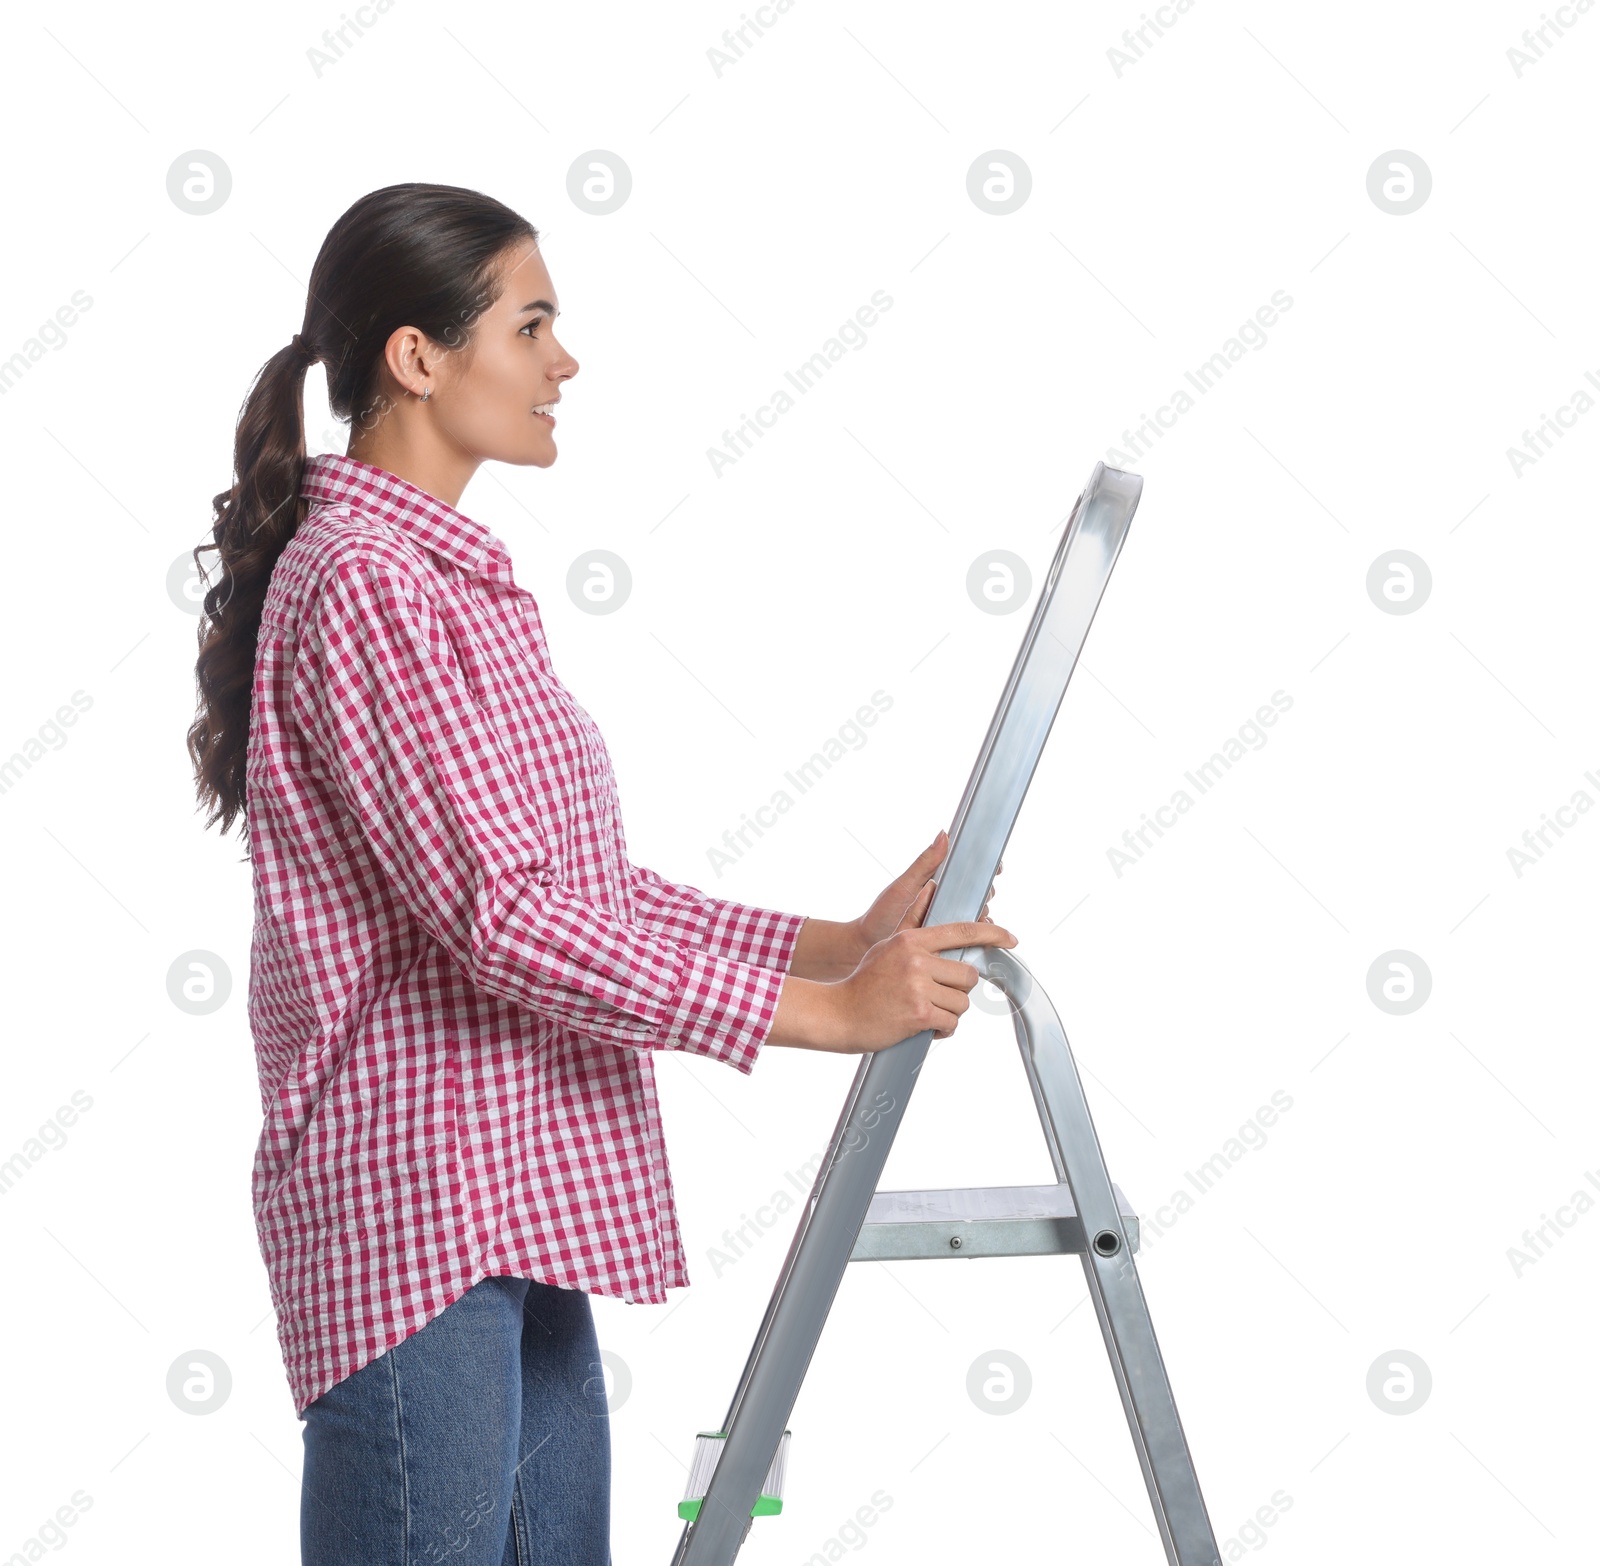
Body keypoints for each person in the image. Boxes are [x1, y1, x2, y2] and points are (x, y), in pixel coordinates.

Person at [186, 182, 1013, 1566]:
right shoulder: (372, 588)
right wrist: (822, 1020)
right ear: (418, 356)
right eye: (532, 322)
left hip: (507, 1207)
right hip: (420, 1221)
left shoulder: (449, 588)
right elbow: (500, 918)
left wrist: (834, 942)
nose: (564, 359)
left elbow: (577, 888)